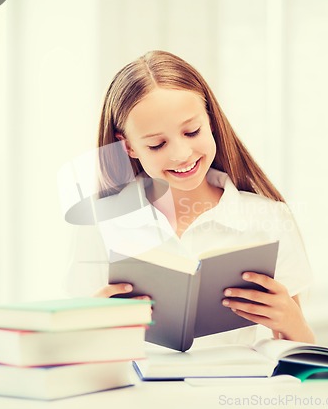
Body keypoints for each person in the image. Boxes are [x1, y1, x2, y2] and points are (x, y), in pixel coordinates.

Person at [68, 50, 314, 346]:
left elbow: (303, 356)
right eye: (157, 145)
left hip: (230, 390)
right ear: (129, 146)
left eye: (192, 131)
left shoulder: (270, 219)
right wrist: (93, 327)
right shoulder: (101, 222)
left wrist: (291, 321)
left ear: (210, 119)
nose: (181, 155)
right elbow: (77, 353)